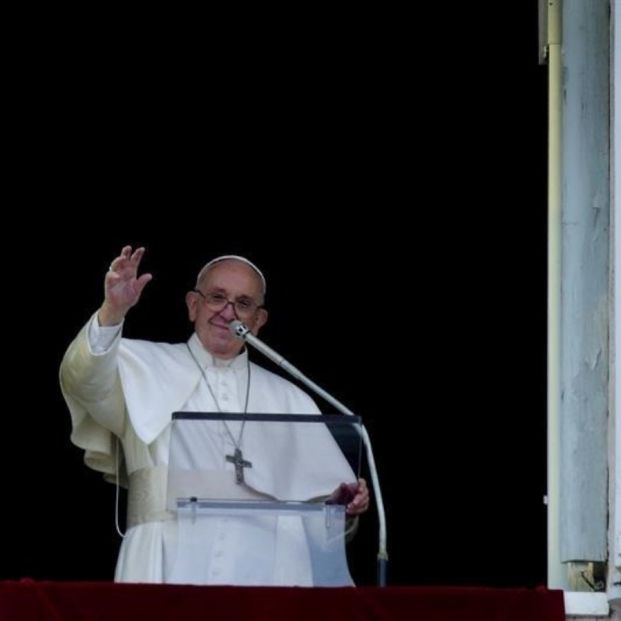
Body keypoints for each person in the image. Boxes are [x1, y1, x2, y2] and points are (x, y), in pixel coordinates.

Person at [60, 245, 369, 586]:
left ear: (259, 320)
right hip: (165, 561)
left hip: (273, 573)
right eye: (217, 297)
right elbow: (83, 379)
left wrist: (337, 507)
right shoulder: (138, 365)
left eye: (244, 303)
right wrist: (112, 311)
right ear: (193, 305)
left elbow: (325, 530)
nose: (228, 312)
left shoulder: (290, 398)